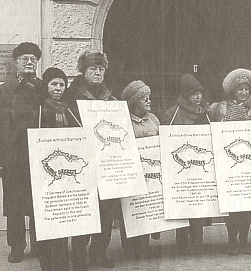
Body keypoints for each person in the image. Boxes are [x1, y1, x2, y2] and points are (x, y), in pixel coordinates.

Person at [0, 42, 44, 263]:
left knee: (37, 204)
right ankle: (16, 247)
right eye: (25, 59)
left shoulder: (43, 88)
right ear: (16, 63)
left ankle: (40, 245)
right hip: (13, 158)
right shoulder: (5, 90)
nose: (30, 62)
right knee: (14, 206)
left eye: (33, 59)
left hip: (38, 158)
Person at [208, 68, 251, 255]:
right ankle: (232, 240)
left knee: (247, 205)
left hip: (249, 164)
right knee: (232, 205)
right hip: (231, 163)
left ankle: (244, 240)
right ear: (233, 91)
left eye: (246, 89)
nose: (243, 93)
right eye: (240, 90)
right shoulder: (221, 109)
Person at [66, 51, 116, 270]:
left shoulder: (111, 97)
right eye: (93, 69)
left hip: (105, 164)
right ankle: (78, 256)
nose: (98, 73)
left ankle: (99, 253)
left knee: (105, 213)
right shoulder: (71, 96)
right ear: (83, 71)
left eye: (101, 69)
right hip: (82, 163)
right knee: (83, 211)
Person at [38, 67, 82, 270]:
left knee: (64, 222)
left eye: (62, 84)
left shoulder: (69, 110)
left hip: (65, 176)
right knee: (48, 224)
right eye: (53, 84)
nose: (58, 88)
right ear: (46, 86)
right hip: (47, 175)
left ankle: (63, 263)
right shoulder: (39, 110)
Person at [163, 74, 211, 255]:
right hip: (181, 167)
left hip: (198, 168)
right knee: (182, 206)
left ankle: (197, 242)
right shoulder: (173, 113)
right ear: (185, 95)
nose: (198, 97)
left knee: (198, 205)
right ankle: (182, 243)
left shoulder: (204, 113)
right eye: (193, 93)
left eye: (200, 92)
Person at [120, 80, 160, 259]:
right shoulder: (124, 121)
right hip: (131, 172)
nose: (149, 101)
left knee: (147, 206)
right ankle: (129, 246)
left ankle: (143, 246)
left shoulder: (154, 119)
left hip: (150, 172)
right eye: (144, 98)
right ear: (134, 102)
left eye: (149, 97)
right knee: (130, 208)